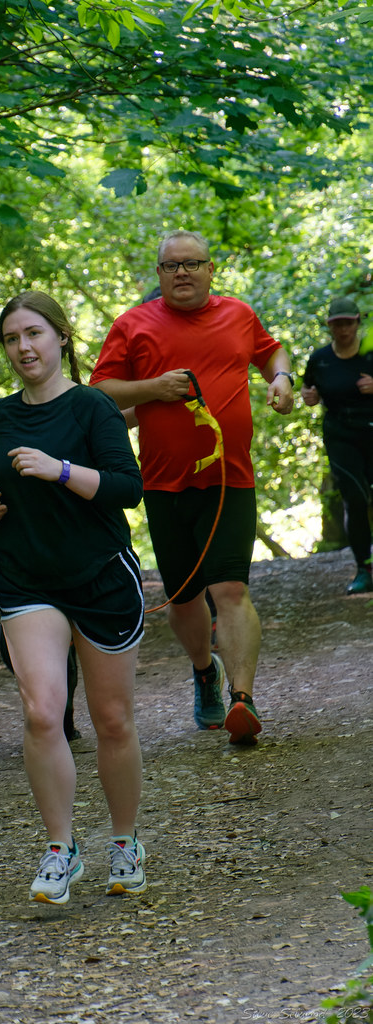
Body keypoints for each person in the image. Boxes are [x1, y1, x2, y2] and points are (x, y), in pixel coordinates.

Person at [0, 290, 147, 905]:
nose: (23, 347)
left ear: (61, 338)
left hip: (100, 576)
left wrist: (61, 471)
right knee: (43, 713)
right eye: (12, 338)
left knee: (111, 719)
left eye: (34, 334)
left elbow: (128, 488)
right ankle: (60, 847)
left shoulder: (93, 406)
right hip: (26, 579)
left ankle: (124, 840)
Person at [91, 229, 295, 745]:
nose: (182, 272)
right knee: (184, 601)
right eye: (171, 266)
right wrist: (154, 388)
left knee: (229, 588)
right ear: (158, 275)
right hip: (162, 483)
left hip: (230, 478)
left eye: (192, 263)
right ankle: (205, 671)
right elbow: (100, 395)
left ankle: (241, 698)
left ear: (210, 269)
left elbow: (273, 353)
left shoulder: (238, 315)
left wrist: (281, 379)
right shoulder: (132, 325)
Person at [301, 297, 373, 594]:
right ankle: (364, 568)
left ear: (358, 321)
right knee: (355, 499)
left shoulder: (370, 353)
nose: (343, 329)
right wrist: (309, 397)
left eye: (348, 322)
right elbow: (307, 387)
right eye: (337, 324)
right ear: (329, 326)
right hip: (341, 435)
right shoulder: (320, 359)